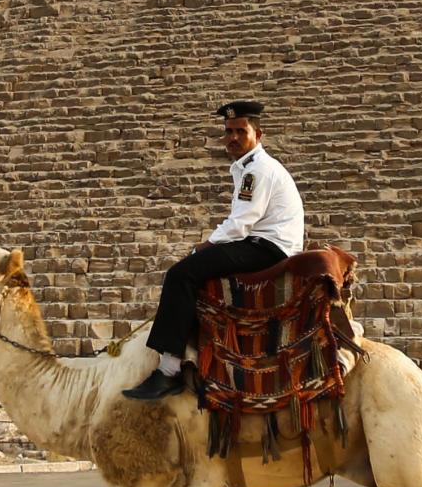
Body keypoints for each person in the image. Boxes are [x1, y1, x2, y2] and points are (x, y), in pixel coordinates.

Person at [124, 100, 304, 400]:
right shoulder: (251, 167)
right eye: (228, 131)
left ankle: (168, 370)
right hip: (265, 242)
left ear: (258, 135)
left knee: (181, 274)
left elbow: (240, 224)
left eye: (240, 131)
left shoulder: (255, 171)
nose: (233, 137)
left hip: (268, 247)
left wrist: (204, 246)